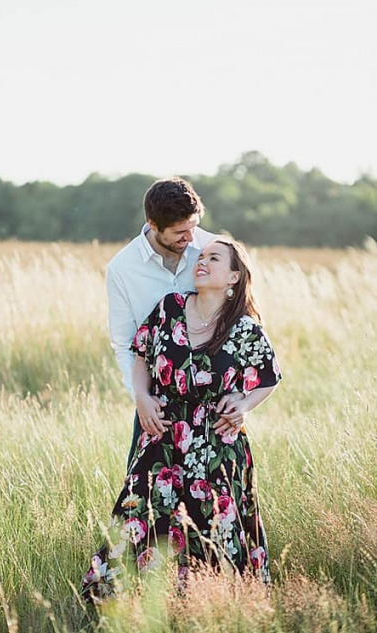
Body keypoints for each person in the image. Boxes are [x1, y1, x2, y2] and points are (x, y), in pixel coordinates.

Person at [81, 237, 281, 601]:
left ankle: (209, 605)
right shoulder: (169, 308)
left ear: (234, 276)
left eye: (214, 258)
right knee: (136, 518)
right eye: (201, 257)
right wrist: (141, 397)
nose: (202, 262)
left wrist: (245, 404)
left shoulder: (245, 328)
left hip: (218, 443)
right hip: (162, 435)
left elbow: (269, 377)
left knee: (215, 531)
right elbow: (140, 354)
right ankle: (105, 603)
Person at [106, 177, 243, 469]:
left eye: (193, 227)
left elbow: (242, 320)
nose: (190, 239)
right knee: (146, 501)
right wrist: (141, 398)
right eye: (181, 232)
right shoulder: (122, 268)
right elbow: (124, 343)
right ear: (153, 225)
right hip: (157, 407)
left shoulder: (211, 248)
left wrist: (240, 397)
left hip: (213, 407)